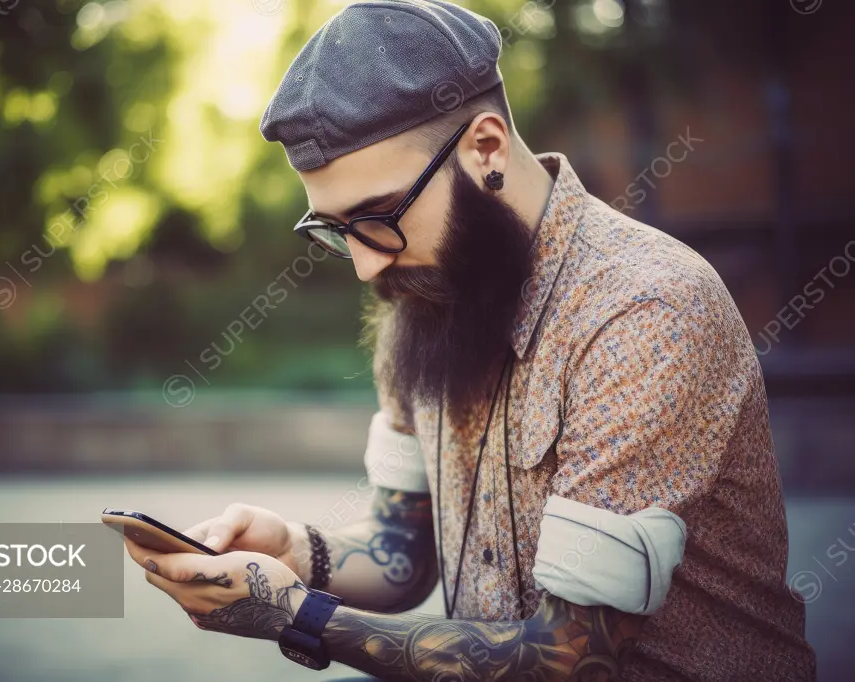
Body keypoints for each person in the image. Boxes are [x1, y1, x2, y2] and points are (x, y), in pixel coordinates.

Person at [123, 1, 817, 679]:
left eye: (376, 216)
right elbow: (401, 552)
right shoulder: (421, 296)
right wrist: (296, 551)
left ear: (485, 148)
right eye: (336, 229)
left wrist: (297, 617)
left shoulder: (646, 309)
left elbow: (571, 656)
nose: (366, 264)